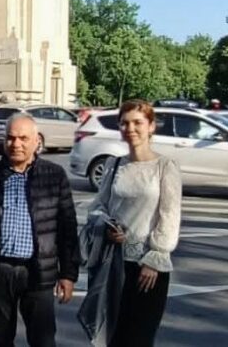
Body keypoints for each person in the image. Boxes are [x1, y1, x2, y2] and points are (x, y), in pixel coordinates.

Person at [0, 113, 80, 347]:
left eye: (23, 138)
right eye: (11, 138)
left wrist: (68, 274)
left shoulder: (53, 175)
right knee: (1, 340)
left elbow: (67, 228)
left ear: (36, 140)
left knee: (43, 341)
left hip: (38, 271)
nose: (16, 144)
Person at [83, 99, 182, 347]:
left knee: (139, 338)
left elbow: (169, 216)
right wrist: (108, 227)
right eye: (125, 123)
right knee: (113, 336)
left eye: (138, 122)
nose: (131, 129)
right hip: (114, 263)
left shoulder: (165, 167)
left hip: (148, 269)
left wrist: (155, 258)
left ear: (151, 126)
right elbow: (98, 207)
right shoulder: (114, 165)